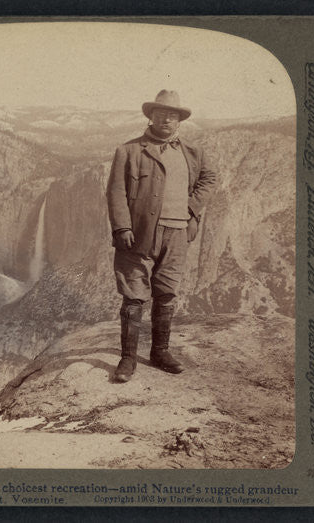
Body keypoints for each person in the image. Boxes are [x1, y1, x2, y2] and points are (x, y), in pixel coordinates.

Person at [105, 90, 217, 383]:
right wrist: (122, 227)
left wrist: (191, 209)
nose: (165, 119)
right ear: (150, 116)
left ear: (179, 120)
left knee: (166, 293)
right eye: (160, 113)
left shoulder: (192, 153)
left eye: (172, 115)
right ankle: (128, 359)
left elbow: (209, 179)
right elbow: (116, 190)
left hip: (177, 233)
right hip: (138, 235)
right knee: (133, 296)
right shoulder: (128, 151)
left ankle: (160, 352)